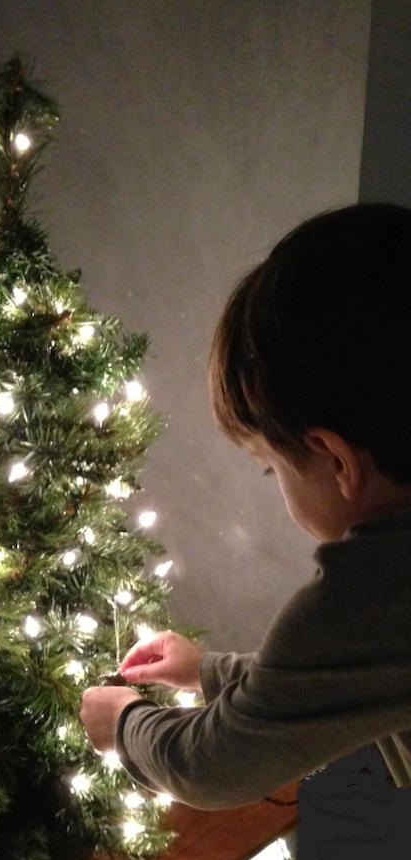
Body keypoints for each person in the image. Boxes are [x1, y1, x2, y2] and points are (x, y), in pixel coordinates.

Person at [80, 202, 411, 811]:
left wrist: (125, 723)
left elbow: (210, 764)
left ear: (334, 460)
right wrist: (207, 670)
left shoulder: (376, 589)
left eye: (270, 467)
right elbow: (341, 672)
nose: (272, 480)